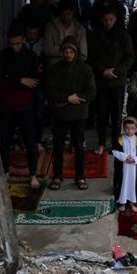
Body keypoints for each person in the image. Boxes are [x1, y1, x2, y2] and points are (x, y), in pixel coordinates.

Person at [0, 26, 42, 189]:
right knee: (5, 141)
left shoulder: (31, 56)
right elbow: (1, 80)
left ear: (23, 40)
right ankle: (6, 171)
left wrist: (13, 80)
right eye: (12, 44)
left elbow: (33, 81)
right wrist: (20, 81)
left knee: (30, 141)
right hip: (8, 106)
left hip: (26, 106)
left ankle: (33, 174)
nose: (14, 47)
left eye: (17, 43)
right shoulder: (3, 56)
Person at [45, 39, 96, 190]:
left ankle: (80, 176)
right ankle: (57, 175)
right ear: (62, 53)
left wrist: (77, 98)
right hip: (60, 114)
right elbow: (49, 91)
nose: (68, 55)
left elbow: (92, 92)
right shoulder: (55, 69)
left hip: (79, 114)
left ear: (76, 53)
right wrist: (67, 98)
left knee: (79, 146)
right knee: (58, 146)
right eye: (66, 52)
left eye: (71, 52)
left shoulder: (85, 69)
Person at [89, 11, 134, 154]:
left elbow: (129, 58)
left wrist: (116, 71)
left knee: (117, 115)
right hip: (102, 81)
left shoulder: (123, 35)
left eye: (110, 19)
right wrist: (103, 71)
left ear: (115, 19)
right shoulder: (96, 35)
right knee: (101, 113)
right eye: (105, 19)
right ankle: (101, 143)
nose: (107, 22)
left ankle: (115, 144)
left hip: (118, 81)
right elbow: (92, 58)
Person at [112, 117, 137, 214]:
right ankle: (122, 203)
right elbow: (114, 151)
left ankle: (131, 203)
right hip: (124, 167)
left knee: (133, 185)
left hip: (134, 168)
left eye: (132, 128)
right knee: (123, 183)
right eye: (127, 128)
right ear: (123, 128)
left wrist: (135, 159)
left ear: (136, 129)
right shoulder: (120, 140)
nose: (129, 130)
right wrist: (125, 157)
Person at [44, 0, 88, 65]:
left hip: (75, 64)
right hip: (55, 63)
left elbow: (83, 54)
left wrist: (61, 51)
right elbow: (48, 49)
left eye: (68, 14)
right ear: (59, 14)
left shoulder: (80, 29)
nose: (65, 17)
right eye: (63, 14)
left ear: (73, 12)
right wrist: (71, 51)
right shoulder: (51, 26)